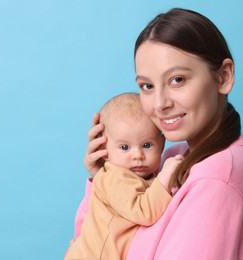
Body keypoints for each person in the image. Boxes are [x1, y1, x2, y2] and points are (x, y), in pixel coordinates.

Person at [73, 7, 243, 260]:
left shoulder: (216, 182)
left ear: (223, 77)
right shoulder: (174, 158)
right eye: (147, 86)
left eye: (177, 80)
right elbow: (96, 245)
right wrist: (106, 179)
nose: (159, 103)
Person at [65, 93, 183, 260]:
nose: (137, 155)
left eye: (147, 145)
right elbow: (144, 211)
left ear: (162, 144)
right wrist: (166, 176)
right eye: (125, 147)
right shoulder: (115, 177)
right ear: (103, 148)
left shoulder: (143, 176)